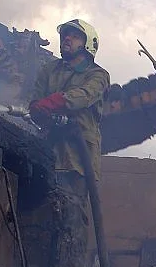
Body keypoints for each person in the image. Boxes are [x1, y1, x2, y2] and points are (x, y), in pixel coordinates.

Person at [29, 19, 110, 197]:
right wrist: (38, 111)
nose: (67, 39)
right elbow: (36, 102)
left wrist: (55, 102)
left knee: (69, 215)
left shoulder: (98, 75)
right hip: (46, 151)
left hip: (78, 161)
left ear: (88, 44)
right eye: (65, 35)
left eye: (75, 37)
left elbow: (85, 95)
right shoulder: (49, 70)